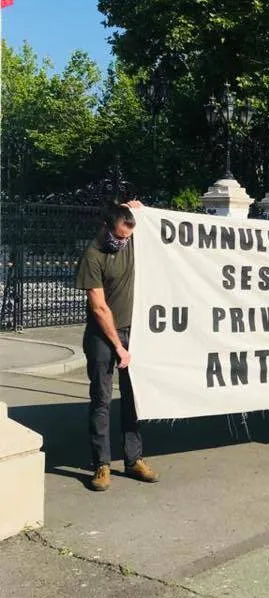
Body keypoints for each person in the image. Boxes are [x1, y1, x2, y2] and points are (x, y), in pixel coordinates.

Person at [75, 201, 158, 491]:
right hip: (102, 335)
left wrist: (137, 208)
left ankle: (134, 459)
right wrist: (119, 347)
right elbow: (99, 308)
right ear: (107, 227)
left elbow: (156, 230)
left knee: (132, 398)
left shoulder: (132, 242)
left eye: (128, 236)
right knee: (101, 398)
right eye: (120, 236)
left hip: (133, 333)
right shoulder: (93, 255)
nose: (124, 241)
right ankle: (102, 464)